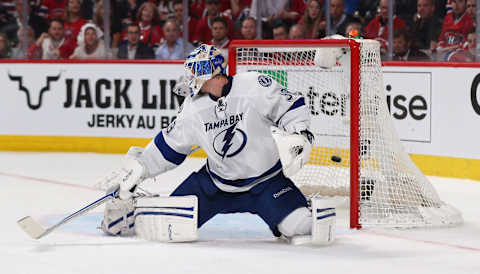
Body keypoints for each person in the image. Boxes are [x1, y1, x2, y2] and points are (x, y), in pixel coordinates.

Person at [100, 44, 335, 245]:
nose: (190, 81)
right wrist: (139, 168)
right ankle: (130, 211)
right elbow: (169, 147)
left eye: (193, 74)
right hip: (213, 186)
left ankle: (304, 205)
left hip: (267, 183)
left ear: (209, 73)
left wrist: (300, 133)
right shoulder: (193, 108)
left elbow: (290, 107)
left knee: (302, 228)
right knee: (165, 225)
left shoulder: (253, 85)